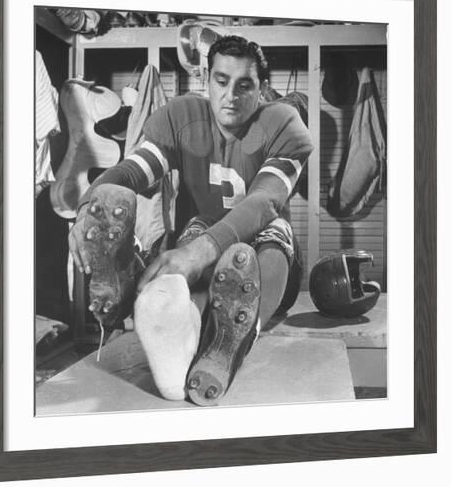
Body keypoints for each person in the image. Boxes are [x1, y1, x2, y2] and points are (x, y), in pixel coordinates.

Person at [68, 35, 313, 405]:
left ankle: (237, 336)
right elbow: (132, 172)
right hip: (207, 253)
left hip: (268, 266)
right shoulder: (183, 116)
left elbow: (265, 200)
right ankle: (173, 314)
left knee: (272, 231)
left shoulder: (283, 122)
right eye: (221, 80)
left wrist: (199, 252)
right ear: (206, 78)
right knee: (196, 226)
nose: (231, 94)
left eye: (244, 84)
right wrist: (89, 206)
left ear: (262, 88)